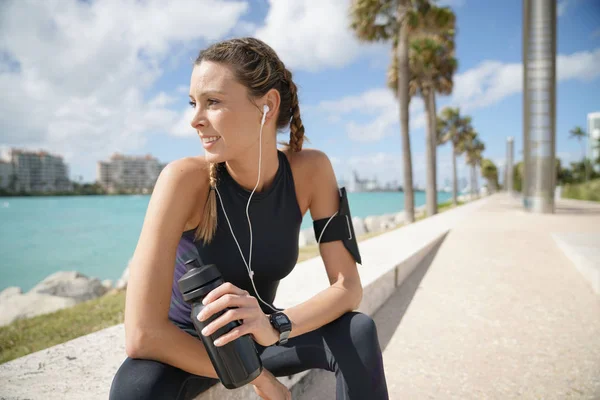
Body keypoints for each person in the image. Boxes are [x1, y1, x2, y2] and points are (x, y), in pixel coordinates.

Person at [109, 37, 389, 400]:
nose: (195, 120)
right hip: (193, 347)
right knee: (134, 389)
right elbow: (143, 333)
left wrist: (276, 325)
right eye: (194, 103)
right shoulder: (182, 180)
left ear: (267, 106)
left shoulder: (312, 170)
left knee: (358, 332)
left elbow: (347, 287)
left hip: (265, 332)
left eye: (213, 102)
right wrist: (259, 378)